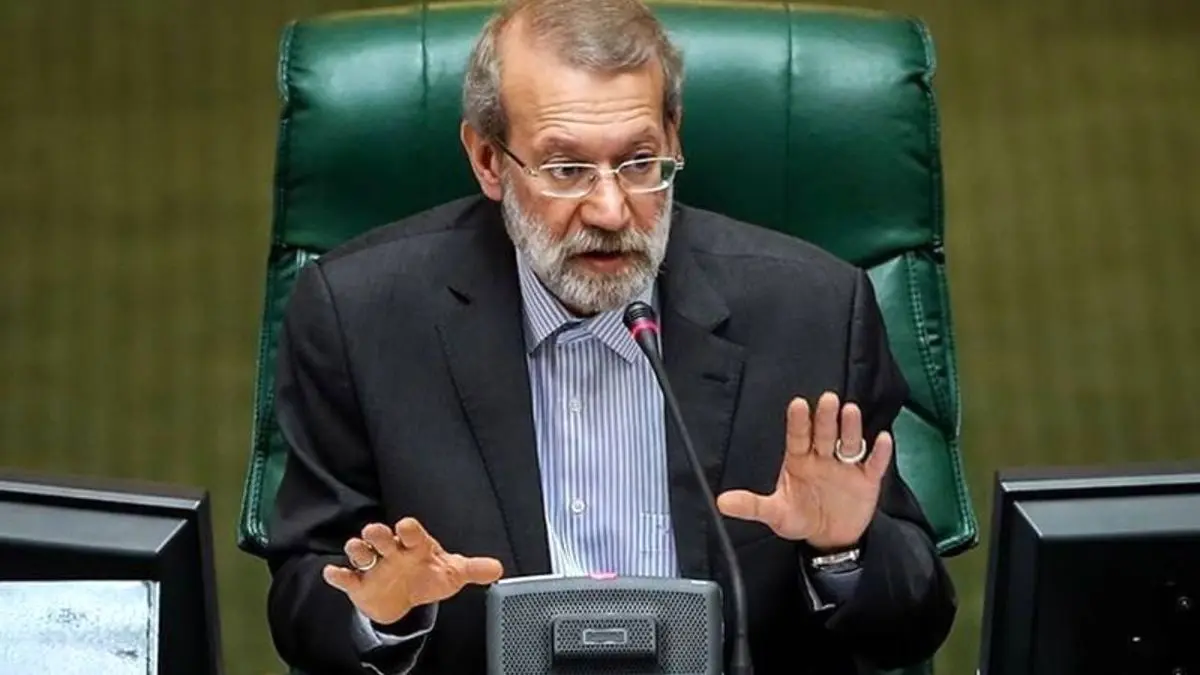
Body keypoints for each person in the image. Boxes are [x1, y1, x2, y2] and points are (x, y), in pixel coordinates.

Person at [263, 0, 957, 672]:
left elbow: (916, 622)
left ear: (674, 139)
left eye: (638, 162)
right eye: (567, 170)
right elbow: (302, 598)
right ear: (488, 161)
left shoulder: (816, 312)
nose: (610, 209)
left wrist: (842, 550)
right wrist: (382, 613)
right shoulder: (359, 316)